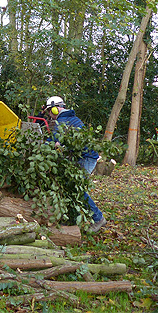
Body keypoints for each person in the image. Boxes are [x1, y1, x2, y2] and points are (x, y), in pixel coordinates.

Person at [44, 95, 107, 233]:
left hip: (86, 158)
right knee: (69, 186)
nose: (50, 114)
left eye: (50, 110)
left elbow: (55, 140)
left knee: (76, 189)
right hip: (83, 157)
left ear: (55, 109)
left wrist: (44, 145)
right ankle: (73, 218)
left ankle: (98, 218)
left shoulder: (63, 120)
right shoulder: (71, 118)